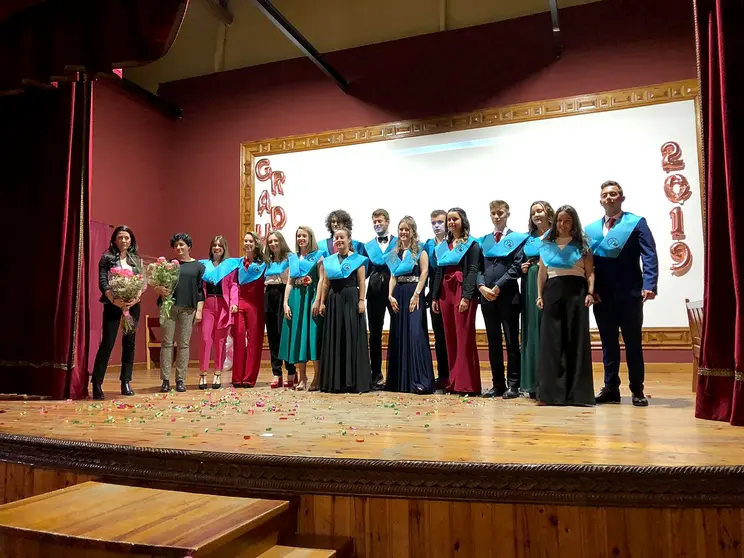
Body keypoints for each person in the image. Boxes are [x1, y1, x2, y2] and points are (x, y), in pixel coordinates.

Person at [587, 180, 658, 407]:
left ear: (622, 198)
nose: (609, 198)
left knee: (633, 343)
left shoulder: (636, 223)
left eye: (614, 194)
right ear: (600, 200)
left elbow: (649, 255)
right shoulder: (591, 230)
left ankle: (637, 389)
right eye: (606, 195)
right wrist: (589, 290)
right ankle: (610, 388)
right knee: (608, 344)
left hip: (630, 293)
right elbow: (587, 264)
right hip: (602, 295)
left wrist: (650, 284)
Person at [535, 205, 595, 406]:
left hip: (576, 293)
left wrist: (590, 292)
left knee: (575, 341)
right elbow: (542, 272)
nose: (563, 224)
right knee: (551, 344)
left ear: (573, 222)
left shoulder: (582, 244)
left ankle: (577, 395)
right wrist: (539, 296)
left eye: (567, 220)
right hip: (552, 292)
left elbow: (590, 272)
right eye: (560, 220)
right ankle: (549, 394)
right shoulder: (547, 244)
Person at [477, 200, 529, 399]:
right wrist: (482, 287)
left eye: (500, 213)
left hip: (507, 296)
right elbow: (478, 268)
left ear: (507, 214)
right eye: (493, 213)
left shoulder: (517, 239)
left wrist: (497, 286)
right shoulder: (484, 241)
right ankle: (497, 383)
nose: (497, 216)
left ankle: (513, 384)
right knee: (493, 342)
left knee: (511, 341)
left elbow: (516, 267)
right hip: (487, 298)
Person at [431, 208, 482, 395]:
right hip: (445, 291)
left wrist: (467, 296)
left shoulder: (472, 244)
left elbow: (473, 270)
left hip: (461, 289)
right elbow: (439, 271)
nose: (451, 222)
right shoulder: (444, 245)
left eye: (455, 219)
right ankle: (453, 381)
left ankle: (467, 383)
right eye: (449, 220)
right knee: (449, 338)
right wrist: (435, 296)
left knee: (464, 337)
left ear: (463, 221)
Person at [90, 225, 144, 399]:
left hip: (133, 305)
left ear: (131, 240)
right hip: (113, 304)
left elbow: (141, 282)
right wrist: (115, 300)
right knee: (108, 343)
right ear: (114, 240)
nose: (124, 241)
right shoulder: (106, 258)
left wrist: (134, 298)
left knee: (130, 343)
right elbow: (103, 281)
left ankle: (126, 381)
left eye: (127, 238)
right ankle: (97, 383)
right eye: (120, 237)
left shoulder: (136, 259)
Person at [385, 216, 435, 394]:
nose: (404, 232)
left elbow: (424, 272)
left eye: (407, 229)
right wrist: (390, 296)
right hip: (398, 294)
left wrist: (417, 294)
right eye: (401, 229)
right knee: (399, 334)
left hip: (414, 293)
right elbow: (392, 276)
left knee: (415, 334)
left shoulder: (420, 250)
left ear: (413, 231)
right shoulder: (394, 253)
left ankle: (420, 380)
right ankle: (399, 381)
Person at [319, 227, 371, 393]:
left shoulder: (358, 260)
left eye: (342, 238)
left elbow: (362, 282)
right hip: (334, 300)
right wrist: (322, 302)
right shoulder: (329, 260)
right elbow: (326, 283)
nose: (339, 240)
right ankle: (336, 381)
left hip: (352, 299)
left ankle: (353, 381)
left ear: (349, 240)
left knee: (351, 336)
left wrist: (362, 300)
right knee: (336, 336)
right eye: (336, 238)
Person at [157, 233, 205, 393]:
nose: (178, 247)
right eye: (176, 245)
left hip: (189, 308)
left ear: (189, 246)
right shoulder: (169, 264)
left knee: (184, 344)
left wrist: (199, 311)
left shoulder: (198, 266)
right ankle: (165, 380)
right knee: (167, 343)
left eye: (182, 244)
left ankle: (180, 380)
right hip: (169, 307)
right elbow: (159, 284)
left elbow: (200, 291)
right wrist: (159, 289)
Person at [280, 226, 326, 391]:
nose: (301, 238)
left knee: (312, 336)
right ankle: (302, 377)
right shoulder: (293, 258)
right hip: (296, 298)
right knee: (298, 336)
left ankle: (317, 376)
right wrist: (285, 303)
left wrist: (318, 299)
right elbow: (290, 282)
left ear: (310, 237)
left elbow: (322, 279)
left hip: (311, 297)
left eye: (304, 235)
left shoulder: (318, 256)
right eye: (298, 235)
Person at [520, 201, 555, 398]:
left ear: (548, 213)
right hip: (530, 282)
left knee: (548, 328)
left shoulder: (556, 234)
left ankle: (550, 381)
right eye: (533, 212)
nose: (536, 215)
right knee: (532, 329)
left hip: (551, 280)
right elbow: (520, 261)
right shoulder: (528, 238)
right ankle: (533, 382)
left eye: (540, 210)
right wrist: (523, 267)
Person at [199, 235, 240, 390]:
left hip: (223, 305)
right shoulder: (204, 266)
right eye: (214, 245)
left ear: (224, 248)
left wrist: (234, 303)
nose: (217, 248)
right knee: (205, 339)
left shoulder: (229, 266)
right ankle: (203, 374)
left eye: (220, 245)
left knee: (220, 341)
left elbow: (234, 285)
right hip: (208, 305)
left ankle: (217, 373)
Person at [364, 208, 397, 389]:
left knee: (397, 329)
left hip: (394, 290)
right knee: (375, 333)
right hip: (375, 289)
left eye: (380, 221)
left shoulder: (398, 242)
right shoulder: (368, 246)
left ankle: (396, 372)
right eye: (375, 222)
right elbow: (365, 270)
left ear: (387, 222)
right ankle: (375, 373)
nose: (377, 224)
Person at [233, 231, 266, 388]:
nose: (247, 244)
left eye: (250, 241)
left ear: (256, 243)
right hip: (240, 302)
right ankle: (237, 377)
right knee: (239, 337)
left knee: (254, 340)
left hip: (256, 304)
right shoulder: (239, 262)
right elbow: (233, 283)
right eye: (245, 241)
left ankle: (249, 378)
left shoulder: (263, 263)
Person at [264, 231, 297, 388]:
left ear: (281, 241)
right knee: (272, 336)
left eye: (276, 240)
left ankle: (291, 371)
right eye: (270, 241)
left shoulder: (290, 258)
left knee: (285, 334)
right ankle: (276, 373)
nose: (273, 243)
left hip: (285, 294)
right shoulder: (266, 261)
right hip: (270, 295)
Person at [423, 210, 450, 390]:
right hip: (434, 293)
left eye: (440, 222)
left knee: (452, 335)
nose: (437, 225)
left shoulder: (454, 242)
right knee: (439, 336)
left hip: (451, 291)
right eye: (433, 223)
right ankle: (443, 375)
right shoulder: (428, 245)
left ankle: (456, 374)